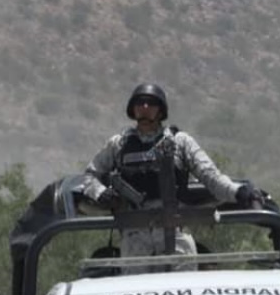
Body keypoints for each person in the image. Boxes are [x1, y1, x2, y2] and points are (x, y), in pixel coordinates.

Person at [79, 82, 264, 261]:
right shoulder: (118, 145)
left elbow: (211, 177)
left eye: (151, 103)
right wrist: (101, 193)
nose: (145, 107)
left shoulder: (180, 142)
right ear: (132, 109)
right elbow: (90, 175)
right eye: (140, 102)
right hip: (135, 233)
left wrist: (238, 192)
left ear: (160, 110)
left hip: (176, 230)